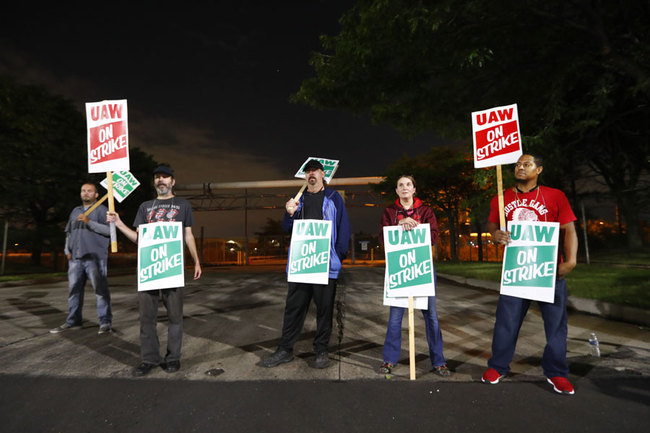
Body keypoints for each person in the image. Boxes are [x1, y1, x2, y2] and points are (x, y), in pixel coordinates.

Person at [481, 154, 578, 395]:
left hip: (549, 272)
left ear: (539, 169)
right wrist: (495, 234)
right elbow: (492, 224)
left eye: (527, 164)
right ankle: (498, 366)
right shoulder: (501, 199)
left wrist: (571, 261)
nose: (521, 168)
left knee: (556, 326)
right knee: (506, 322)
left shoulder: (555, 196)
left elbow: (569, 230)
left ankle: (556, 372)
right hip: (516, 271)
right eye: (518, 165)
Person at [107, 164, 202, 377]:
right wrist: (120, 224)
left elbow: (188, 235)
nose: (161, 180)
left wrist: (196, 260)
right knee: (146, 318)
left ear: (173, 182)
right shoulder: (145, 207)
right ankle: (149, 359)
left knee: (175, 317)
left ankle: (173, 358)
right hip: (149, 268)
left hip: (173, 267)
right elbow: (139, 239)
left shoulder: (183, 205)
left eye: (165, 177)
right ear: (155, 182)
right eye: (158, 177)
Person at [261, 159, 351, 369]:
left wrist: (338, 255)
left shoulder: (333, 197)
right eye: (308, 171)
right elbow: (286, 227)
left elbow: (343, 227)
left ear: (322, 174)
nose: (311, 174)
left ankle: (321, 350)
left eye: (315, 171)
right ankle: (285, 349)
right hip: (302, 264)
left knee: (324, 310)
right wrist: (289, 213)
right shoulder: (297, 199)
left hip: (325, 264)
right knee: (293, 309)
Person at [377, 175, 450, 377]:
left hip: (423, 268)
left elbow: (434, 236)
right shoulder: (389, 212)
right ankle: (389, 360)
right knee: (395, 318)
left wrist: (415, 225)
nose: (404, 187)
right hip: (399, 269)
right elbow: (383, 239)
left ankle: (439, 361)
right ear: (397, 191)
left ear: (414, 189)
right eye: (400, 185)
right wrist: (400, 223)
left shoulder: (425, 211)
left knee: (431, 317)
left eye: (408, 184)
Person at [51, 182, 112, 334]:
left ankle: (105, 323)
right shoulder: (75, 211)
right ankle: (74, 321)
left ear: (96, 195)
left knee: (101, 291)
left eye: (89, 191)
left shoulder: (103, 210)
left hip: (95, 258)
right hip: (76, 258)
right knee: (74, 291)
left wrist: (89, 222)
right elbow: (69, 232)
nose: (86, 193)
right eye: (83, 190)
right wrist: (67, 249)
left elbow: (110, 231)